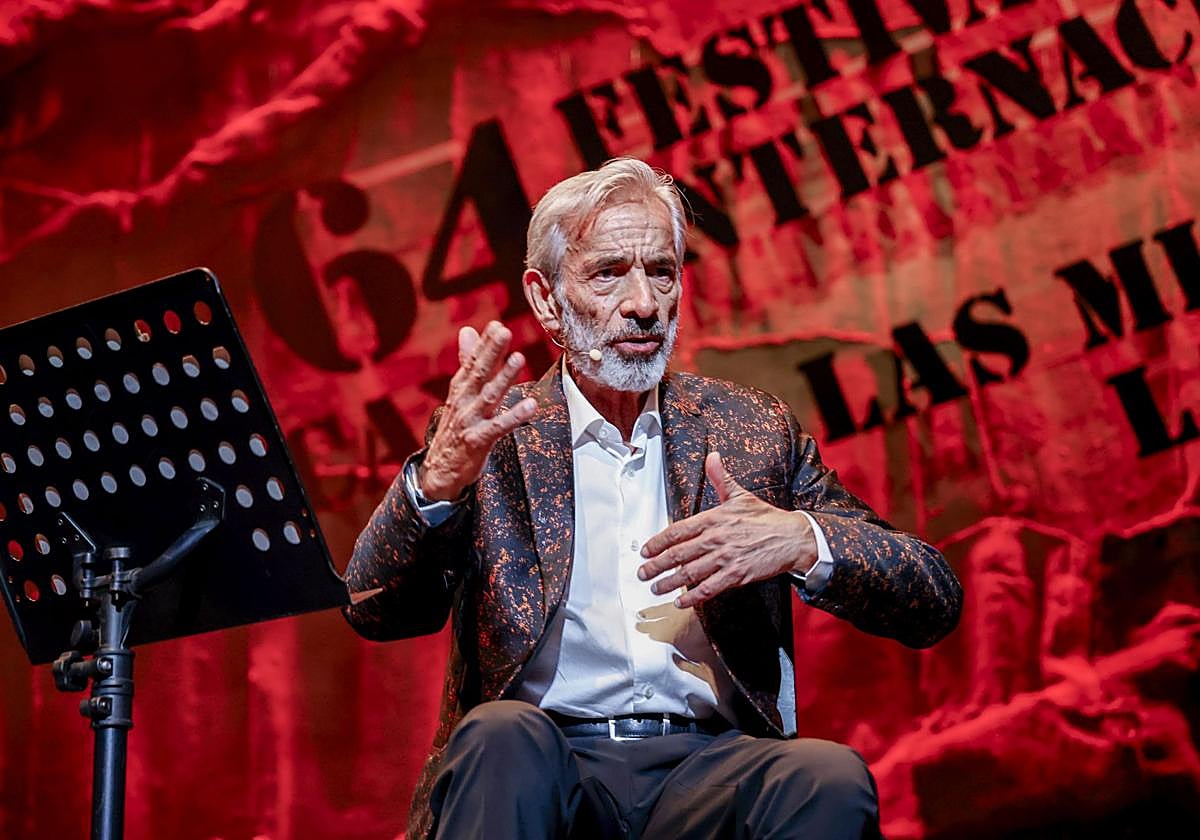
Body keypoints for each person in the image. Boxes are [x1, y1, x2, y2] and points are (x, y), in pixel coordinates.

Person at [344, 158, 963, 840]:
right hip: (547, 764)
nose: (643, 303)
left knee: (826, 777)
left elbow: (932, 599)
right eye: (609, 274)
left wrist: (803, 539)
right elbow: (374, 611)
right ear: (546, 298)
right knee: (499, 734)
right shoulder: (494, 439)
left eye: (661, 272)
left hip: (706, 766)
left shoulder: (750, 429)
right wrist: (434, 485)